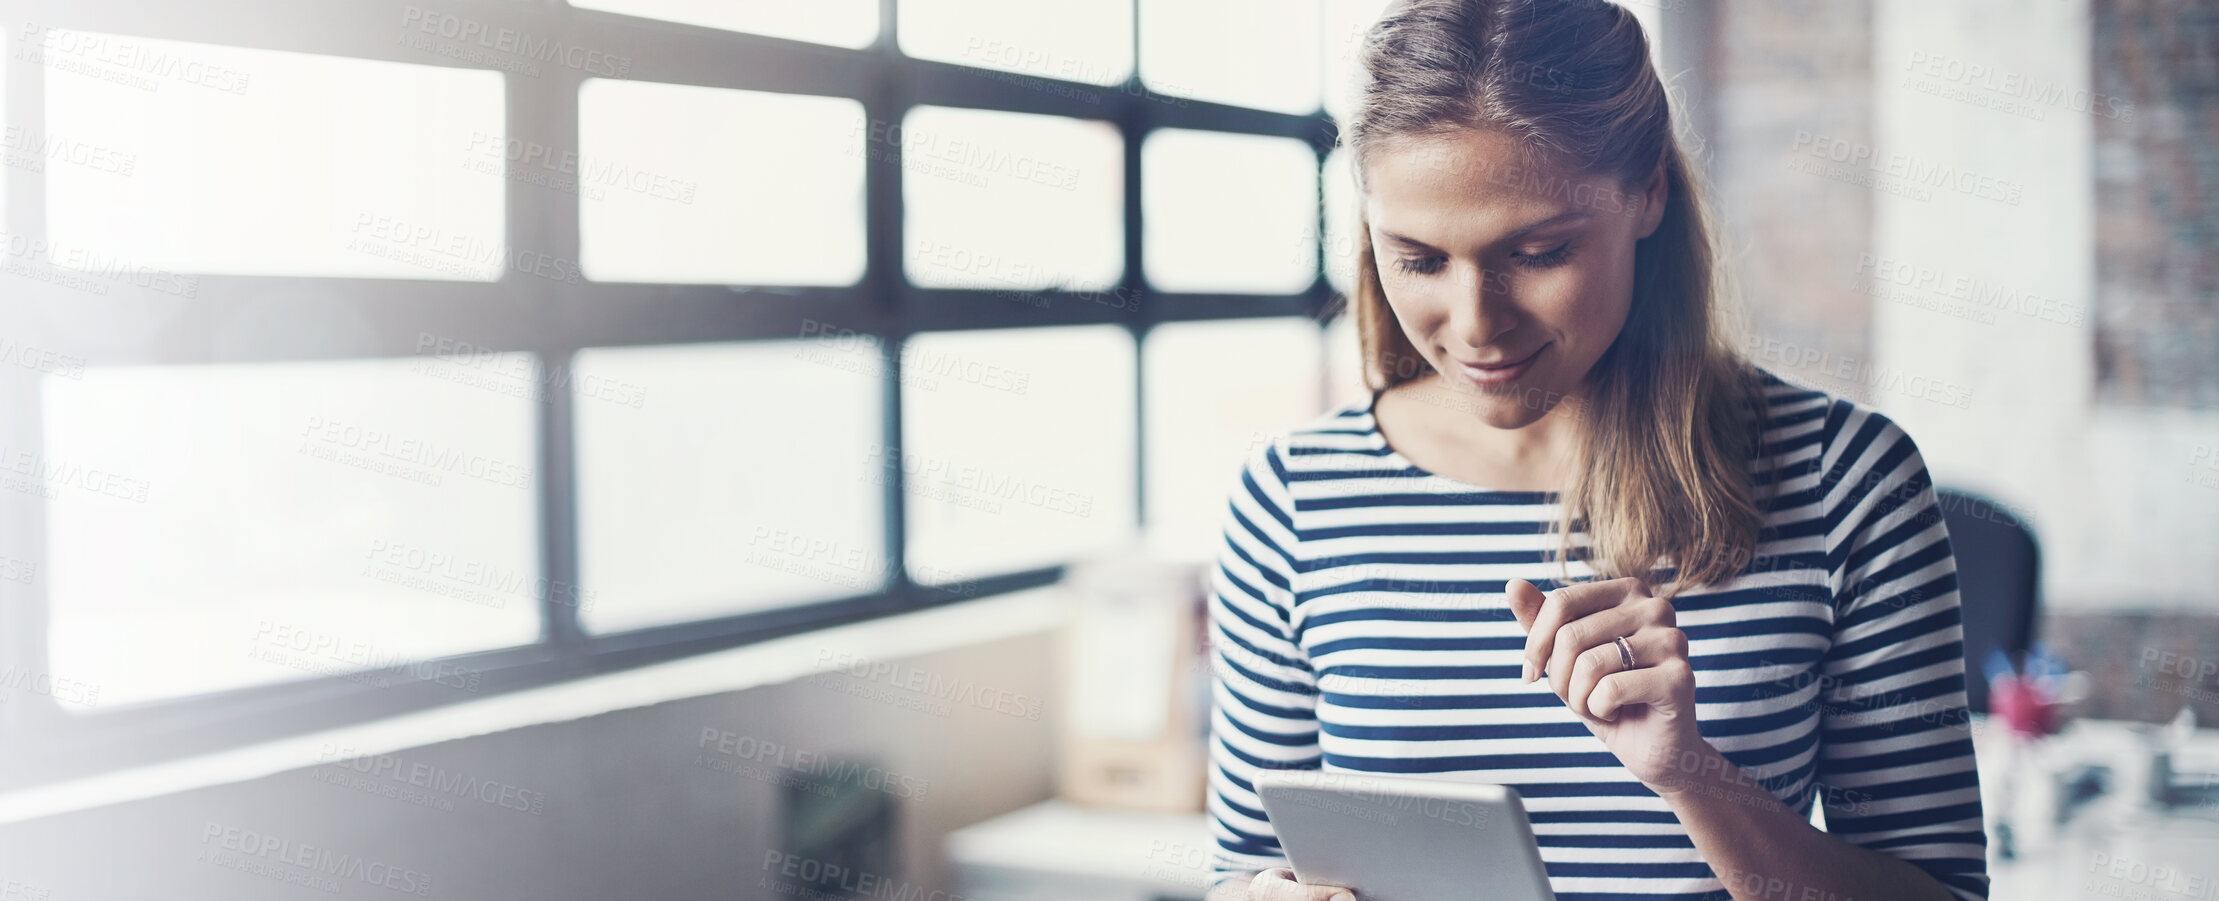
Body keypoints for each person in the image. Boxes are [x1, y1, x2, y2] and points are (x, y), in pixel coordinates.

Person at [1200, 1, 1988, 899]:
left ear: (1647, 190)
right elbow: (1242, 870)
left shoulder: (1845, 482)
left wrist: (1691, 774)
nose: (1475, 326)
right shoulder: (1293, 498)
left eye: (1538, 251)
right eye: (1417, 259)